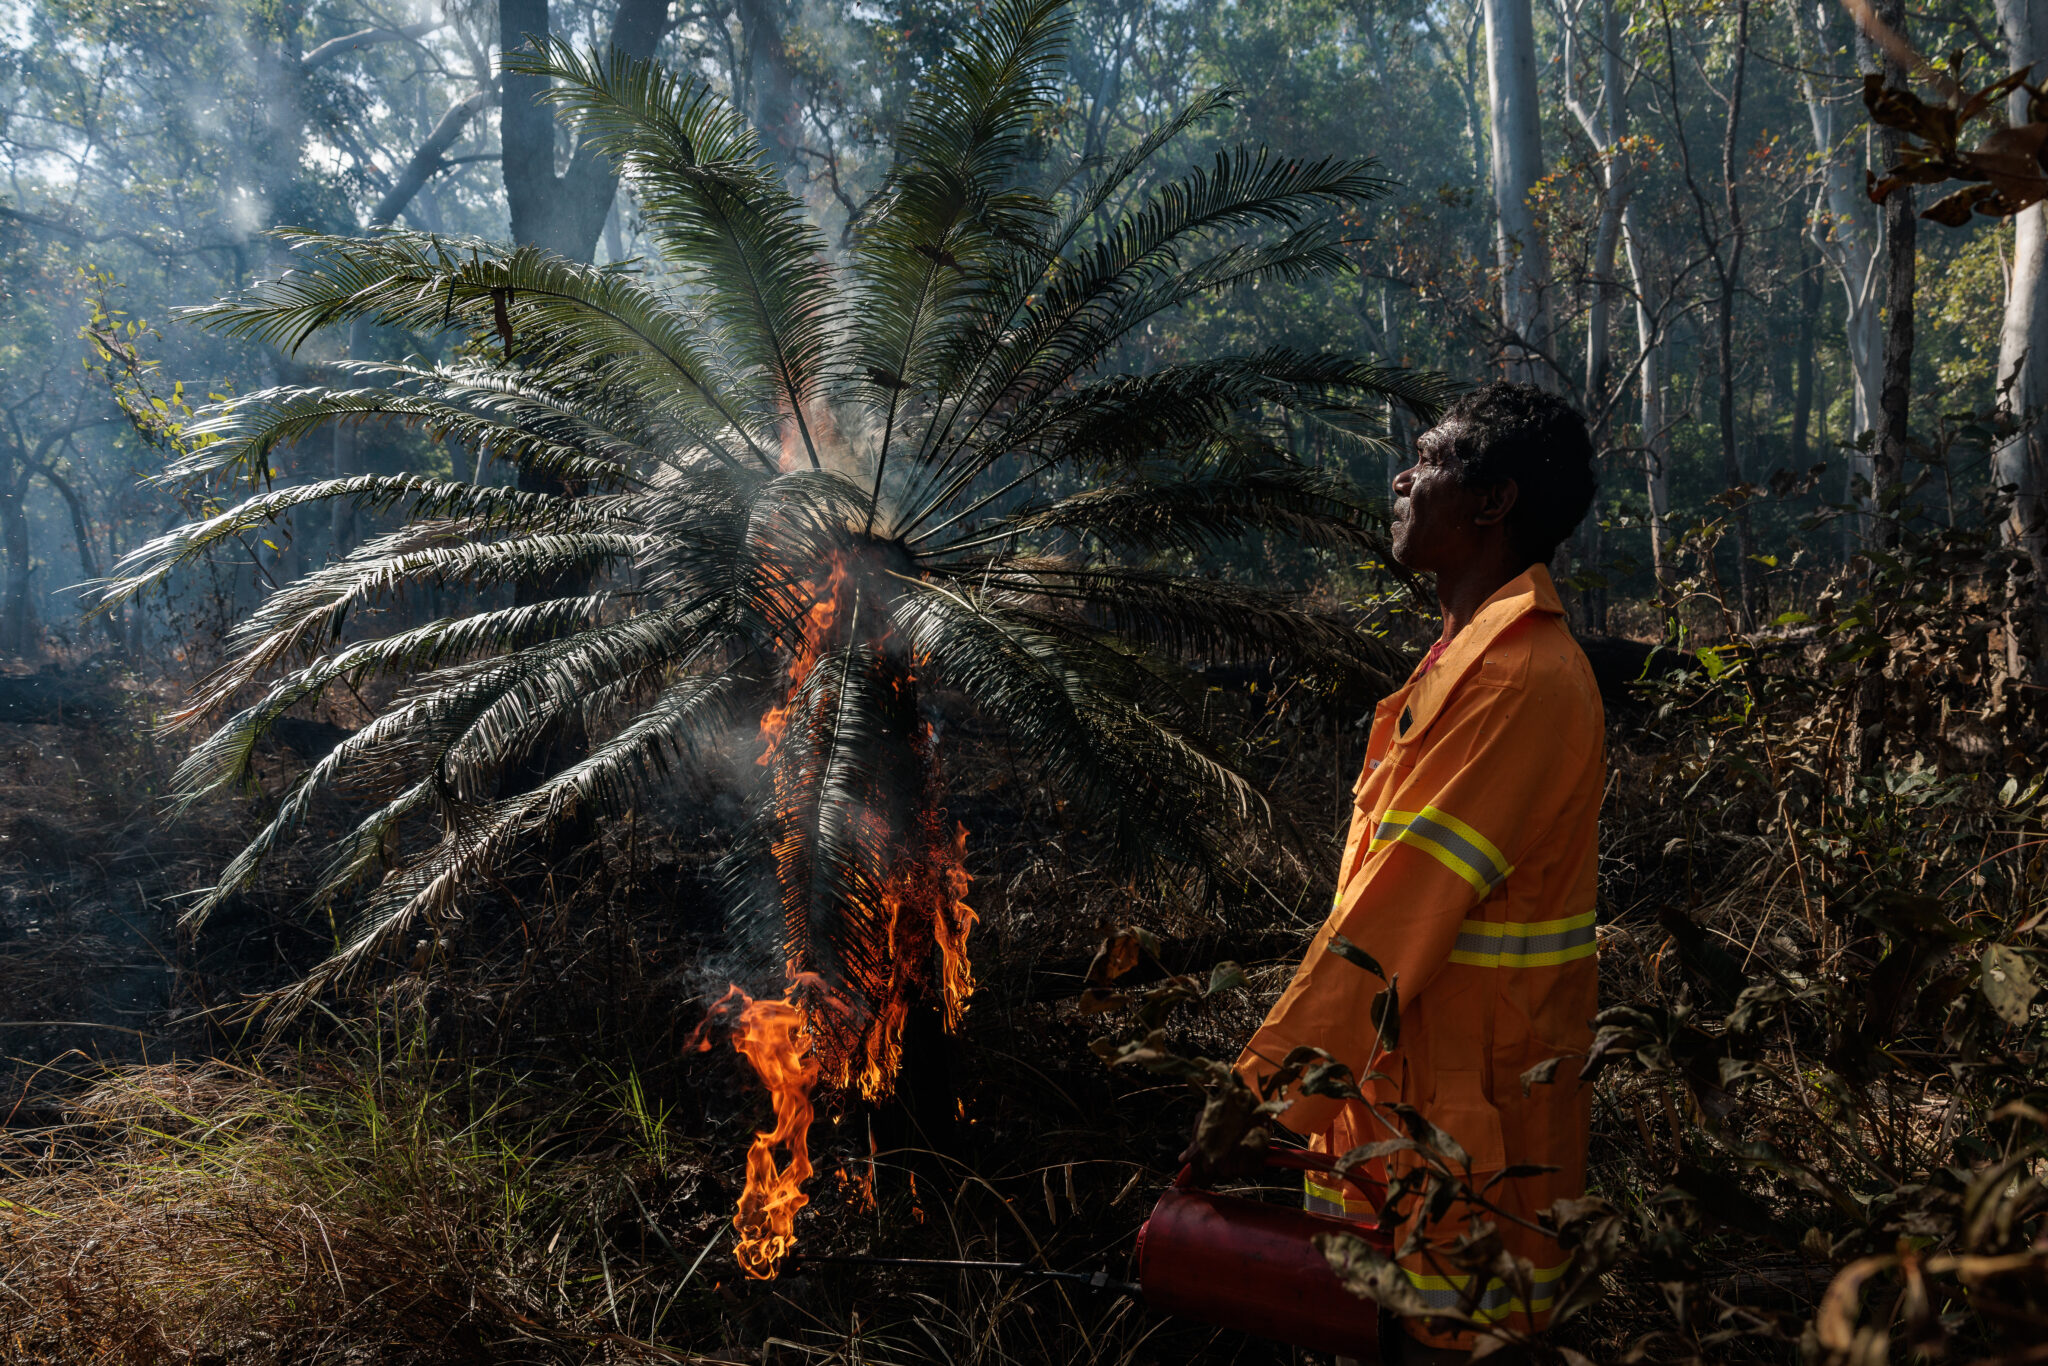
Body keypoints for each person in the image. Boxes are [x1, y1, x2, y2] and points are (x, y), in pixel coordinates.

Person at [1233, 382, 1604, 1360]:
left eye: (1429, 458)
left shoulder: (1520, 679)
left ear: (1491, 502)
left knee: (1450, 1334)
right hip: (1407, 1101)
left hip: (1466, 1124)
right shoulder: (1462, 662)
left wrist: (1260, 1096)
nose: (1400, 477)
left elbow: (1396, 913)